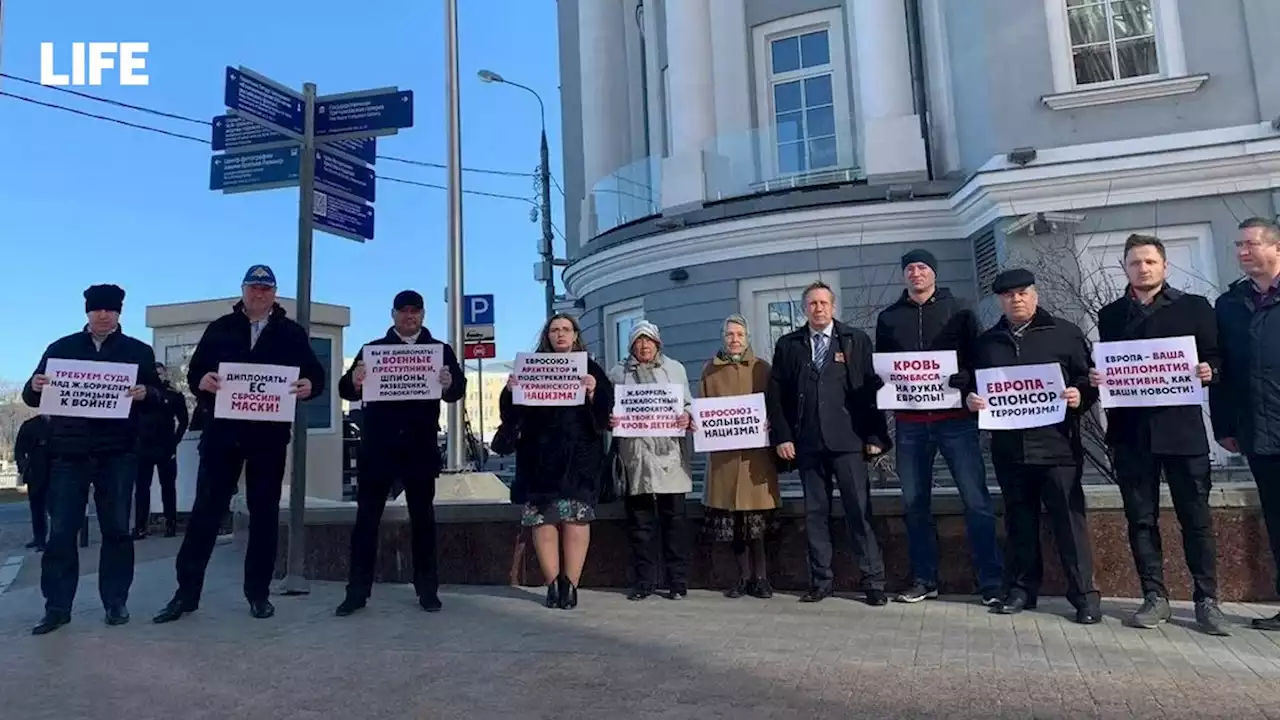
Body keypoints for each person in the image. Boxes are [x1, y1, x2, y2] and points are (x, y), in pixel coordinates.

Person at [153, 265, 325, 623]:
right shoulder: (221, 328)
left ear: (274, 293)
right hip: (222, 434)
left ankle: (258, 594)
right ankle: (186, 594)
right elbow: (196, 370)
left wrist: (310, 385)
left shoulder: (291, 333)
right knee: (205, 513)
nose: (259, 293)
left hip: (268, 437)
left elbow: (314, 375)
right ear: (243, 291)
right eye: (253, 287)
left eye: (265, 288)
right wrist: (204, 379)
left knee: (264, 516)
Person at [1090, 233, 1228, 635]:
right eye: (1135, 263)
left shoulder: (1194, 308)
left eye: (1150, 261)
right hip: (1131, 434)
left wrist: (1209, 371)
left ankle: (1207, 600)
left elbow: (1217, 356)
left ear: (1164, 266)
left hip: (1181, 431)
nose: (1143, 268)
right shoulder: (1111, 314)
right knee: (1141, 519)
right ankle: (1155, 596)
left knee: (1196, 519)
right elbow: (1113, 364)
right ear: (1126, 268)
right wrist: (1101, 377)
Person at [23, 284, 162, 635]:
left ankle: (115, 601)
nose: (104, 314)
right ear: (87, 312)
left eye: (110, 309)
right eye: (97, 309)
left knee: (116, 529)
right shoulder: (62, 348)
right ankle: (56, 607)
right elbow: (31, 395)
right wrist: (36, 385)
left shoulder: (138, 352)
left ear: (119, 313)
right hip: (69, 453)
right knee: (62, 532)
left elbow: (158, 398)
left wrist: (148, 393)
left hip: (117, 452)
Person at [966, 268, 1101, 624]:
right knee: (1019, 523)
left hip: (1058, 447)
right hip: (1010, 449)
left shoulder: (1064, 333)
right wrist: (971, 399)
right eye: (1009, 295)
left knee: (1069, 525)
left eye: (1023, 292)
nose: (1017, 299)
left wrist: (1080, 395)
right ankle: (1022, 590)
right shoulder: (987, 343)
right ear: (1000, 300)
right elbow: (970, 382)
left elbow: (1088, 378)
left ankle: (1084, 597)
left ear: (1035, 294)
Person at [875, 249, 1003, 606]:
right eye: (910, 268)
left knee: (975, 501)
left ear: (934, 272)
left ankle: (991, 581)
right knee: (915, 504)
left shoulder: (960, 309)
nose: (916, 273)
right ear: (904, 275)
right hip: (910, 424)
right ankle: (924, 578)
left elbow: (979, 359)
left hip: (956, 422)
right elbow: (882, 367)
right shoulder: (889, 318)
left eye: (923, 267)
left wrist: (968, 380)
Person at [334, 290, 466, 616]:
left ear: (423, 314)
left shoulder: (439, 351)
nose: (410, 317)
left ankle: (427, 590)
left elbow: (457, 390)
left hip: (419, 448)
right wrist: (355, 380)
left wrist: (449, 383)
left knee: (423, 521)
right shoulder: (373, 350)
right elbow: (345, 388)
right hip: (377, 448)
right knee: (366, 521)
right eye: (403, 311)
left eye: (415, 311)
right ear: (393, 315)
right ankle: (357, 591)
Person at [769, 281, 891, 605]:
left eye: (824, 303)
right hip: (807, 444)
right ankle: (821, 581)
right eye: (812, 304)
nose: (819, 308)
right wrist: (782, 436)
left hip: (848, 441)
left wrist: (875, 436)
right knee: (815, 515)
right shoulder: (789, 345)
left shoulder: (855, 340)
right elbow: (776, 397)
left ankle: (873, 582)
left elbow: (871, 390)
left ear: (833, 307)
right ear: (804, 309)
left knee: (859, 512)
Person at [499, 313, 612, 609]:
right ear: (547, 336)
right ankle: (552, 584)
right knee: (543, 519)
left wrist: (593, 392)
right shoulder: (531, 367)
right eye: (554, 330)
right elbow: (510, 416)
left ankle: (571, 585)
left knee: (576, 519)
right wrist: (510, 392)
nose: (560, 335)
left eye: (566, 330)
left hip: (579, 459)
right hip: (538, 458)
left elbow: (606, 416)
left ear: (575, 335)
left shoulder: (590, 368)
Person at [1211, 216, 1280, 631]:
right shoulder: (1230, 304)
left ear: (1277, 247)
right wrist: (1224, 426)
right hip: (1259, 433)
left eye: (1250, 244)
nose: (1242, 252)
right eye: (1238, 245)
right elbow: (1222, 370)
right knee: (1277, 519)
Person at [607, 321, 693, 601]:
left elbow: (688, 403)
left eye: (649, 341)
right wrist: (612, 420)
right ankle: (644, 582)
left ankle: (677, 581)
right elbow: (608, 409)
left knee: (674, 522)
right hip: (637, 457)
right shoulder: (618, 373)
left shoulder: (675, 369)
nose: (644, 346)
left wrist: (688, 416)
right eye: (638, 342)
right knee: (641, 525)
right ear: (631, 346)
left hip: (670, 456)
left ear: (658, 344)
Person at [700, 315, 781, 598]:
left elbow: (775, 406)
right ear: (723, 338)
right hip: (724, 460)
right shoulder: (710, 370)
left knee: (756, 526)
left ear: (747, 338)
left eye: (739, 335)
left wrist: (771, 422)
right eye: (729, 335)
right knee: (733, 527)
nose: (734, 339)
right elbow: (703, 408)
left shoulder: (762, 368)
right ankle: (742, 578)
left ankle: (762, 578)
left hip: (755, 460)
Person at [133, 362, 189, 539]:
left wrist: (175, 442)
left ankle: (170, 524)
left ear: (165, 374)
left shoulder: (173, 394)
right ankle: (140, 526)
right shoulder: (139, 395)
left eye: (160, 373)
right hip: (143, 447)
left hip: (165, 447)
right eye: (154, 373)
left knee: (168, 487)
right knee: (142, 489)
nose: (158, 376)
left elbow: (183, 421)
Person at [15, 415, 51, 551]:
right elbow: (19, 449)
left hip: (57, 472)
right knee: (37, 508)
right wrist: (23, 466)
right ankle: (39, 538)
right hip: (35, 472)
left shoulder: (61, 424)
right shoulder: (30, 425)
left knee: (56, 508)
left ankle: (55, 538)